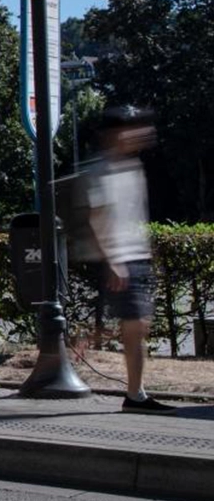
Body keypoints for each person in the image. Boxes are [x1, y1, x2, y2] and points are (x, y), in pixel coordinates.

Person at [86, 106, 175, 413]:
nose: (142, 134)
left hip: (135, 256)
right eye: (134, 128)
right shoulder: (102, 169)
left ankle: (135, 392)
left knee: (138, 326)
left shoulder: (131, 166)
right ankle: (135, 396)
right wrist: (113, 260)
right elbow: (98, 218)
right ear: (115, 134)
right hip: (121, 258)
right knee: (134, 325)